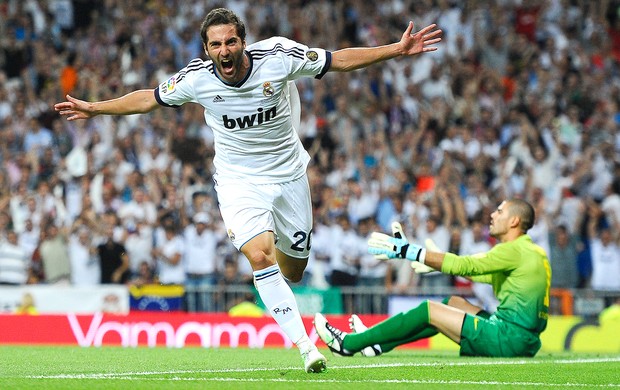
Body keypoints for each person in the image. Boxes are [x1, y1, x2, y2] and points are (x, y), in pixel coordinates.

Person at [54, 7, 442, 373]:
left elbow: (338, 59)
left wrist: (396, 49)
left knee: (295, 269)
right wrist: (96, 108)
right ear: (206, 50)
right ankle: (305, 346)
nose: (224, 51)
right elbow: (147, 99)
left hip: (289, 175)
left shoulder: (278, 55)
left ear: (243, 41)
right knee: (259, 255)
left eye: (230, 41)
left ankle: (277, 251)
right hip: (239, 180)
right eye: (216, 45)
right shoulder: (196, 78)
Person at [315, 198, 551, 358]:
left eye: (499, 211)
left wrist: (411, 252)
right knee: (453, 303)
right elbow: (482, 274)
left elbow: (467, 266)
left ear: (514, 221)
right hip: (525, 340)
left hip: (508, 338)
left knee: (429, 309)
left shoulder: (512, 250)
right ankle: (377, 345)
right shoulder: (532, 252)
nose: (492, 215)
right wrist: (436, 264)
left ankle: (348, 344)